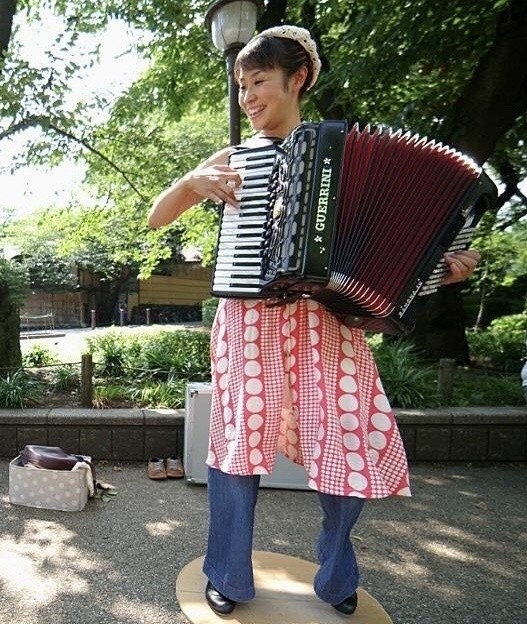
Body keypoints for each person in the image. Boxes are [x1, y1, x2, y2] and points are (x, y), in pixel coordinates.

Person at [148, 25, 481, 616]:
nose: (248, 97)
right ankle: (228, 573)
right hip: (249, 322)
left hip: (328, 325)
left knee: (347, 442)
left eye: (259, 83)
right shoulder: (232, 159)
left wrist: (443, 270)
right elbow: (157, 218)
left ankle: (336, 572)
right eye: (241, 86)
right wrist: (192, 182)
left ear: (297, 79)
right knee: (235, 446)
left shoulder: (346, 155)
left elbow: (392, 257)